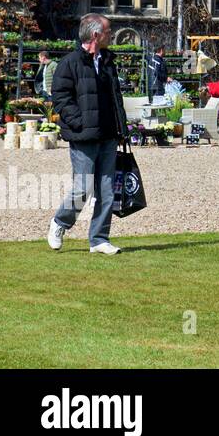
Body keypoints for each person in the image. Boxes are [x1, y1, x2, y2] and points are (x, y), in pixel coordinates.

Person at [47, 13, 126, 255]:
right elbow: (60, 97)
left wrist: (121, 127)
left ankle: (99, 239)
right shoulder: (69, 63)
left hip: (108, 134)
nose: (111, 34)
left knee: (107, 189)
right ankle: (60, 223)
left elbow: (115, 97)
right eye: (108, 30)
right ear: (95, 35)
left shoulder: (108, 61)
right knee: (83, 188)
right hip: (83, 135)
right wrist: (79, 122)